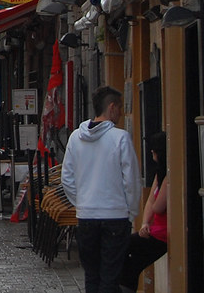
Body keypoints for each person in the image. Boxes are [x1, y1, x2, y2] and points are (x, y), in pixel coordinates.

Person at [62, 85, 142, 293]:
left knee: (92, 275)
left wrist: (82, 203)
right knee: (110, 275)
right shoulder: (120, 138)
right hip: (115, 215)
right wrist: (131, 211)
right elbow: (131, 180)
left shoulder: (75, 138)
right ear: (112, 107)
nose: (122, 114)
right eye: (120, 109)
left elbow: (67, 178)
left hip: (87, 216)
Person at [119, 132, 168, 293]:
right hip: (154, 230)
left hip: (164, 234)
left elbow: (157, 206)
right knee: (127, 255)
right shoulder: (160, 174)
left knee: (123, 248)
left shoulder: (168, 176)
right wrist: (145, 223)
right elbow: (150, 203)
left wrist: (151, 213)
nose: (151, 153)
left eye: (153, 150)